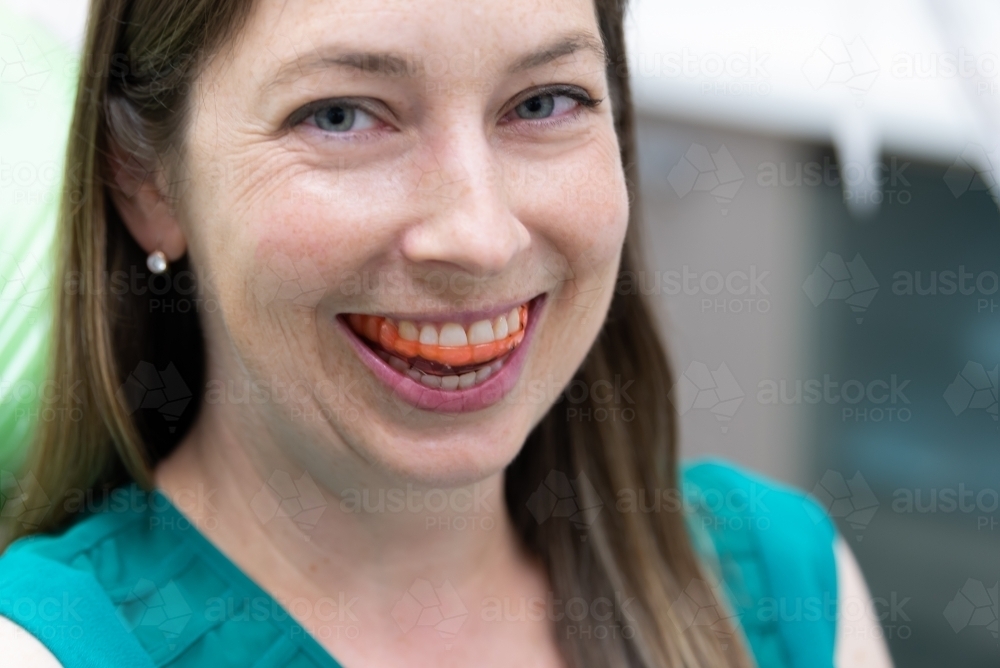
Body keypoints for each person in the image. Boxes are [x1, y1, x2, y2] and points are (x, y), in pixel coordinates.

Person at [0, 0, 894, 666]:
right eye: (342, 115)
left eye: (544, 101)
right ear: (145, 181)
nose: (480, 236)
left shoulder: (785, 593)